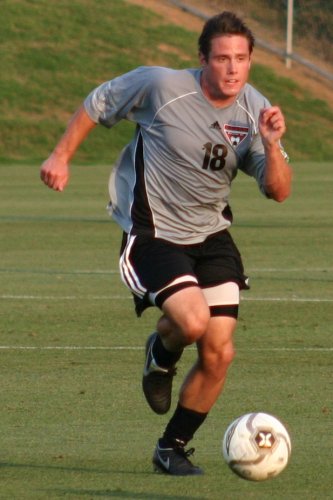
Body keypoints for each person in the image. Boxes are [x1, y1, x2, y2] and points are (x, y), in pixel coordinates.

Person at [40, 11, 292, 476]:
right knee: (192, 322)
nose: (232, 69)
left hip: (212, 235)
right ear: (202, 59)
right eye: (221, 58)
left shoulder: (255, 109)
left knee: (221, 351)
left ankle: (171, 447)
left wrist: (272, 143)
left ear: (251, 60)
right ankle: (161, 354)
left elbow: (278, 190)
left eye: (241, 59)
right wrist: (61, 155)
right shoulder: (161, 86)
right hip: (153, 233)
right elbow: (97, 104)